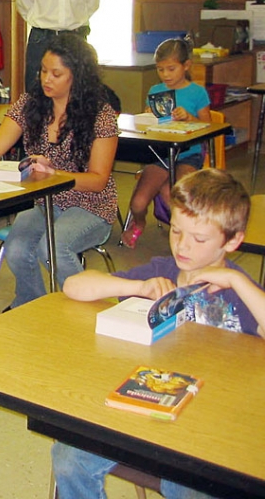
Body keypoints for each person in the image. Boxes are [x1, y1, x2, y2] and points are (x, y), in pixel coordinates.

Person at [53, 168, 265, 499]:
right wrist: (138, 286)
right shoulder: (162, 272)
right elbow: (74, 285)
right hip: (149, 398)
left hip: (211, 417)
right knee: (68, 458)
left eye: (199, 239)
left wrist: (238, 281)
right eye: (177, 231)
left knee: (185, 486)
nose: (183, 246)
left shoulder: (240, 292)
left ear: (233, 240)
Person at [0, 34, 118, 308]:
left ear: (77, 75)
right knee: (16, 248)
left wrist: (56, 177)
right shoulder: (31, 103)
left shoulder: (101, 114)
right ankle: (31, 307)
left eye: (56, 73)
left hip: (91, 206)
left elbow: (99, 181)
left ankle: (90, 313)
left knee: (52, 248)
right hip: (44, 201)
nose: (46, 79)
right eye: (42, 71)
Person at [123, 38, 210, 249]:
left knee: (177, 197)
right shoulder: (155, 90)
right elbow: (149, 124)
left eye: (171, 69)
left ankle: (186, 235)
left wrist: (190, 118)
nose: (166, 75)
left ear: (186, 65)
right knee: (138, 202)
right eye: (160, 69)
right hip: (160, 153)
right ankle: (139, 222)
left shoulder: (197, 92)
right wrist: (148, 116)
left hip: (189, 154)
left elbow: (208, 126)